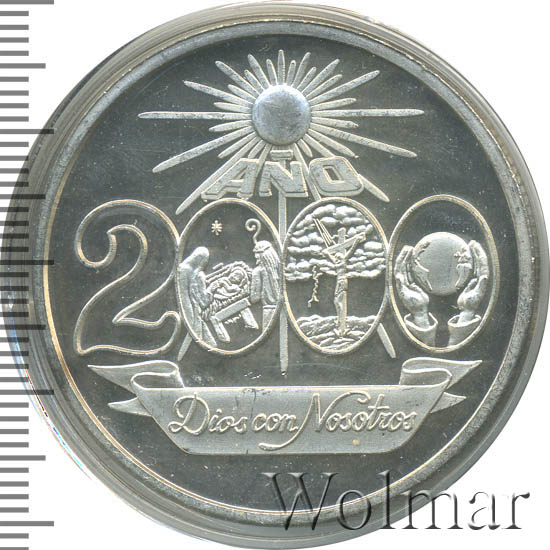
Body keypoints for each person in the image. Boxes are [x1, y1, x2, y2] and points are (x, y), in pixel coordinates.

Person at [176, 247, 216, 347]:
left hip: (184, 312)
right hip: (194, 314)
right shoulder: (198, 275)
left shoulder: (180, 269)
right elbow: (204, 302)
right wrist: (212, 289)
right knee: (199, 338)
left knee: (206, 341)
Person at [250, 240, 281, 330]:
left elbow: (254, 298)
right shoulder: (279, 269)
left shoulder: (257, 271)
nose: (255, 256)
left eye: (256, 253)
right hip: (282, 311)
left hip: (268, 312)